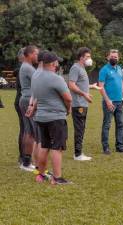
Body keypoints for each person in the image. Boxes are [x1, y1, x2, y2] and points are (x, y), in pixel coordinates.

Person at [30, 51, 72, 184]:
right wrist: (68, 109)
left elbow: (36, 96)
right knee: (57, 147)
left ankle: (41, 175)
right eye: (57, 62)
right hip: (55, 117)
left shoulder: (35, 76)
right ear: (53, 63)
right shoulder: (55, 78)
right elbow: (68, 98)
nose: (58, 64)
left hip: (41, 116)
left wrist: (34, 108)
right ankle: (57, 178)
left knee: (44, 146)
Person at [98, 49, 123, 154]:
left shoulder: (119, 68)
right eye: (112, 56)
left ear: (118, 58)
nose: (114, 58)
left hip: (120, 102)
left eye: (116, 57)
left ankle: (119, 146)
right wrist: (107, 101)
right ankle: (105, 147)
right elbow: (101, 87)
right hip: (109, 102)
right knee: (107, 125)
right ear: (108, 57)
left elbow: (121, 83)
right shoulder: (104, 70)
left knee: (120, 124)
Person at [68, 47, 93, 161]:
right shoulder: (75, 68)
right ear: (81, 57)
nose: (89, 59)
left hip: (83, 103)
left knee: (82, 128)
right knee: (79, 128)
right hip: (78, 104)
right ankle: (78, 154)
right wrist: (84, 94)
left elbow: (80, 84)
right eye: (87, 57)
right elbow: (71, 85)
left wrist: (90, 87)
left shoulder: (82, 68)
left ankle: (79, 153)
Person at [18, 45, 39, 171]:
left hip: (25, 99)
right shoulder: (28, 68)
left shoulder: (27, 67)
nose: (37, 56)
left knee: (28, 131)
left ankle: (26, 162)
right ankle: (27, 163)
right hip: (28, 100)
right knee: (31, 132)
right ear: (29, 54)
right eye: (36, 54)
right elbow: (40, 80)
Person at [14, 48, 25, 164]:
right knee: (25, 129)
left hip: (20, 100)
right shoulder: (22, 69)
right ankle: (23, 157)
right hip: (22, 101)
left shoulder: (21, 68)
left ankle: (23, 156)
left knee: (25, 129)